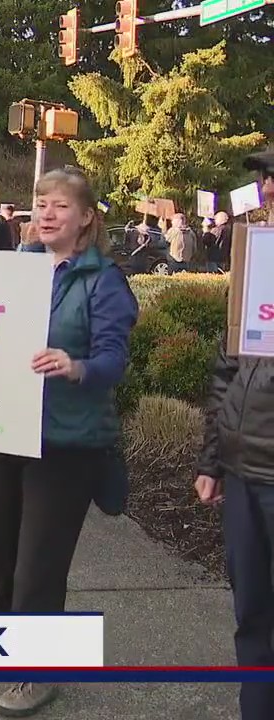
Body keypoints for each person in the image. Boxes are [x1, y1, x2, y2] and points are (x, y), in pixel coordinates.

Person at [0, 168, 138, 716]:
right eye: (41, 203)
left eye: (60, 206)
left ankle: (35, 671)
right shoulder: (18, 270)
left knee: (39, 565)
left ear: (86, 216)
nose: (46, 213)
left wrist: (77, 365)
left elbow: (114, 359)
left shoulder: (103, 279)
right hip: (8, 427)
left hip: (68, 442)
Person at [196, 147, 274, 720]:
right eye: (268, 181)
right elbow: (227, 371)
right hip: (246, 472)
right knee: (252, 611)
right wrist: (212, 459)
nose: (268, 192)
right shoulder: (257, 265)